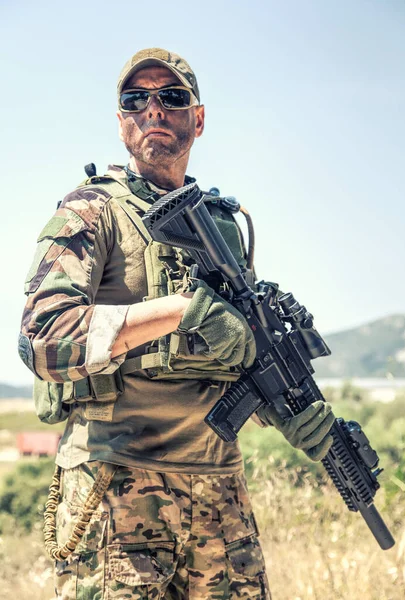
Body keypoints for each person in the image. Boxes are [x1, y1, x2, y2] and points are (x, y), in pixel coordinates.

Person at [18, 47, 335, 600]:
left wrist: (283, 411)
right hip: (118, 490)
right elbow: (42, 338)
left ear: (198, 117)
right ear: (121, 123)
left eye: (171, 98)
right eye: (135, 100)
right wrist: (180, 312)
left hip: (220, 498)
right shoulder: (91, 212)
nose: (154, 110)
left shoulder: (224, 227)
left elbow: (238, 355)